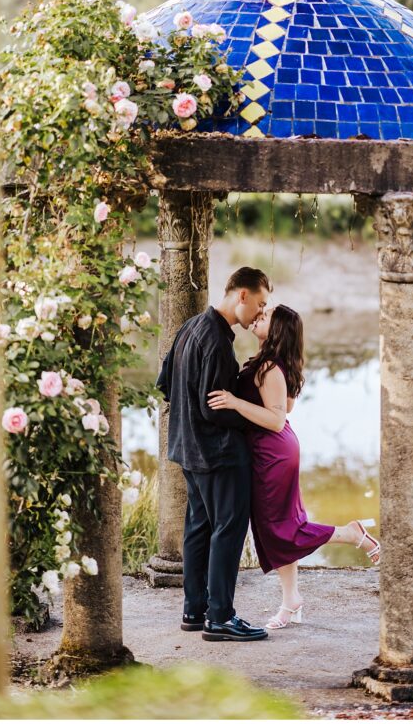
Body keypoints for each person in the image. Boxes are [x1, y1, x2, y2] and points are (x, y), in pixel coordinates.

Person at [207, 303, 380, 630]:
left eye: (266, 314)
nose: (260, 314)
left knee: (281, 528)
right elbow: (284, 403)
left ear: (277, 330)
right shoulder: (269, 363)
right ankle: (291, 601)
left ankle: (351, 534)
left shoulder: (270, 367)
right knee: (277, 527)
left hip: (271, 451)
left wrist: (233, 401)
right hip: (272, 451)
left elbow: (276, 419)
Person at [156, 266, 272, 641]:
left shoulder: (191, 326)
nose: (260, 312)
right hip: (219, 454)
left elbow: (164, 383)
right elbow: (214, 408)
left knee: (199, 527)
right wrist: (252, 421)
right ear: (242, 294)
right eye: (260, 303)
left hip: (188, 450)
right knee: (228, 529)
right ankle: (220, 616)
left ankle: (195, 609)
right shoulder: (219, 342)